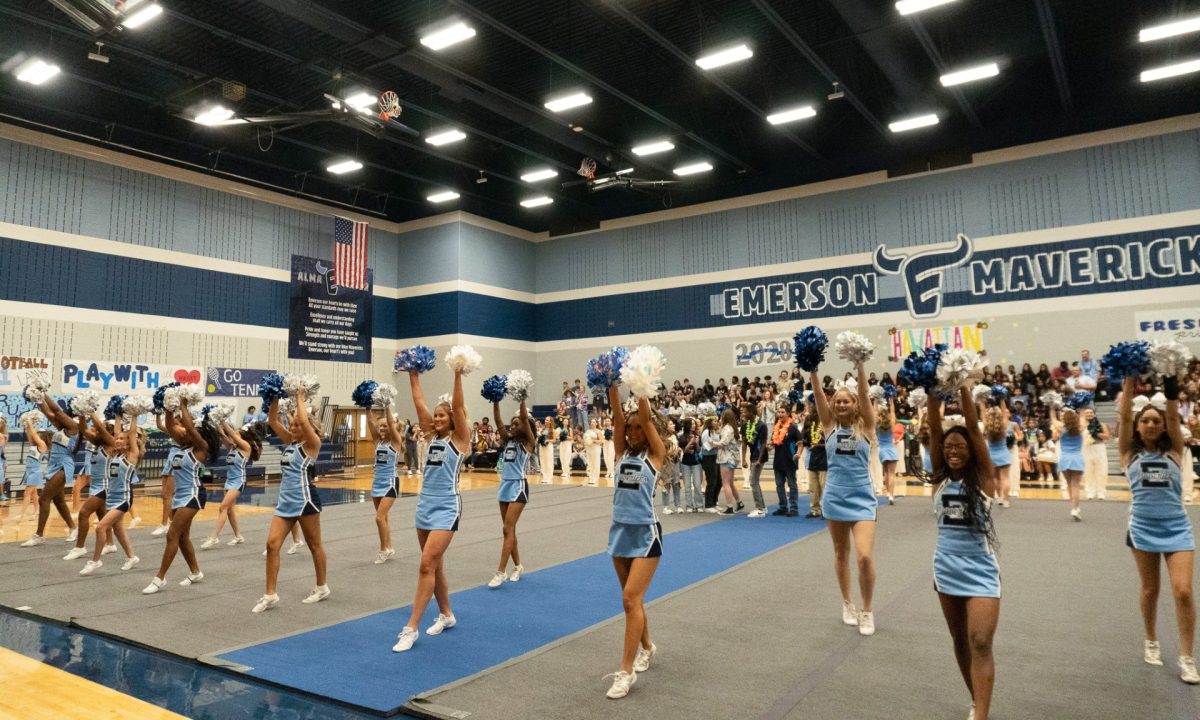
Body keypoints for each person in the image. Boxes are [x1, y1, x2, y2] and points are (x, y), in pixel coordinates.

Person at [927, 382, 1001, 720]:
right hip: (946, 568)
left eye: (961, 446)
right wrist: (931, 389)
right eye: (949, 446)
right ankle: (976, 699)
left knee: (981, 640)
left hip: (981, 569)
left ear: (971, 450)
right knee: (959, 638)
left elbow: (972, 427)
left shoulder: (985, 478)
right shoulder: (939, 480)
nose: (954, 450)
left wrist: (963, 388)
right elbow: (932, 427)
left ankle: (982, 715)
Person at [1118, 374, 1200, 683]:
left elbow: (1173, 412)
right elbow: (1124, 416)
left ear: (1165, 425)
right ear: (1138, 427)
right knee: (1151, 589)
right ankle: (1151, 638)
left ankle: (1187, 657)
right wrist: (1128, 382)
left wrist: (1169, 385)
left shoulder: (1175, 450)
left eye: (1157, 421)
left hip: (1177, 528)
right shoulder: (1129, 453)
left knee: (1183, 591)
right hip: (1142, 528)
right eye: (1146, 421)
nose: (1152, 425)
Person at [392, 365, 470, 652]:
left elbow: (460, 407)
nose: (435, 418)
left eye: (442, 415)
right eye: (434, 415)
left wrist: (458, 375)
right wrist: (413, 374)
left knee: (426, 565)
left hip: (447, 506)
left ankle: (410, 628)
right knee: (435, 565)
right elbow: (419, 403)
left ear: (452, 420)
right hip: (424, 505)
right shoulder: (431, 436)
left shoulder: (460, 440)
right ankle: (447, 614)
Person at [601, 383, 666, 700]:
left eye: (639, 426)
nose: (634, 431)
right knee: (633, 601)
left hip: (645, 536)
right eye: (630, 428)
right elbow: (616, 416)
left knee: (629, 599)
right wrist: (611, 383)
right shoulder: (619, 453)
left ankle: (625, 671)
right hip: (619, 534)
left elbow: (647, 418)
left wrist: (641, 385)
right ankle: (648, 647)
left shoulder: (655, 455)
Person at [811, 359, 879, 635]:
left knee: (864, 556)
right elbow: (818, 397)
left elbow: (864, 394)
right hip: (835, 497)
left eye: (845, 402)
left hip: (863, 498)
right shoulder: (829, 428)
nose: (840, 405)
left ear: (854, 405)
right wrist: (812, 369)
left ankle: (867, 610)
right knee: (841, 552)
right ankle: (847, 603)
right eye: (836, 402)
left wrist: (860, 366)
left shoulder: (867, 428)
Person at [253, 388, 328, 612]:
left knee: (315, 545)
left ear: (309, 428)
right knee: (272, 544)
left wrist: (299, 397)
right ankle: (270, 594)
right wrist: (274, 395)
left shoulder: (311, 445)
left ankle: (322, 586)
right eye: (292, 425)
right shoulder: (290, 442)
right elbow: (273, 419)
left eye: (297, 425)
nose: (293, 427)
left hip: (306, 501)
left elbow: (304, 420)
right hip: (285, 502)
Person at [142, 403, 217, 594]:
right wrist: (168, 405)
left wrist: (183, 403)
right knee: (183, 537)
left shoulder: (201, 448)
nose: (183, 431)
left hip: (193, 494)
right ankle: (195, 571)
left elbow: (190, 427)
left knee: (172, 534)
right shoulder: (182, 447)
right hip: (180, 496)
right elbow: (169, 424)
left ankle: (159, 578)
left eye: (188, 430)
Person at [79, 413, 142, 576]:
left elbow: (133, 434)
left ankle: (95, 561)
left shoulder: (131, 455)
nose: (118, 440)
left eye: (122, 439)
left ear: (129, 443)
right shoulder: (115, 454)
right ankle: (132, 557)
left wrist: (134, 416)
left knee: (100, 527)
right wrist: (117, 415)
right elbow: (115, 432)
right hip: (112, 497)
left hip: (123, 498)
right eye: (118, 438)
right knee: (118, 529)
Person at [20, 396, 78, 545]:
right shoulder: (61, 427)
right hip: (53, 465)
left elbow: (57, 411)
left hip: (64, 465)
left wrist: (44, 394)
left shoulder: (73, 427)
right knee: (58, 500)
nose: (62, 414)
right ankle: (73, 528)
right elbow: (47, 411)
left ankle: (39, 535)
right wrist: (37, 398)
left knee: (43, 498)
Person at [489, 394, 533, 588]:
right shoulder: (508, 441)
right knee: (510, 530)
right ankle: (518, 566)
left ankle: (500, 572)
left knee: (507, 528)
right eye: (512, 424)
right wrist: (496, 400)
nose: (513, 427)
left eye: (517, 424)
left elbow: (524, 417)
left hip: (518, 487)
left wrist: (521, 398)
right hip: (504, 486)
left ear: (525, 426)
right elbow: (498, 421)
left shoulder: (528, 443)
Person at [202, 422, 262, 549]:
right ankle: (238, 536)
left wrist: (223, 420)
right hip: (229, 481)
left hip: (239, 481)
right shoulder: (232, 447)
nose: (235, 432)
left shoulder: (246, 447)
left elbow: (231, 434)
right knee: (230, 510)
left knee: (223, 507)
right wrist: (216, 422)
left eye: (238, 431)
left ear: (242, 436)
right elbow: (223, 435)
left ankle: (214, 537)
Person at [63, 415, 114, 561]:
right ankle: (110, 543)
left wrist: (92, 413)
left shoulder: (111, 443)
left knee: (84, 513)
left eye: (99, 430)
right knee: (102, 515)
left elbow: (100, 431)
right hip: (96, 485)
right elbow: (84, 429)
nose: (95, 432)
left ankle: (80, 547)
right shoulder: (98, 444)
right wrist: (82, 414)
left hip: (104, 486)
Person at [367, 406, 404, 564]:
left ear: (392, 426)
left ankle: (383, 550)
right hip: (377, 482)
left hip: (390, 483)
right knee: (384, 519)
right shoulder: (378, 441)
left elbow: (390, 421)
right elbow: (370, 422)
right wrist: (367, 406)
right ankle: (389, 546)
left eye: (385, 425)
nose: (382, 428)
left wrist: (387, 406)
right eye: (380, 426)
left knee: (379, 518)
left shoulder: (395, 442)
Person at [1054, 405, 1086, 521]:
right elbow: (1083, 415)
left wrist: (1051, 407)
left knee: (1069, 484)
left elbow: (1053, 418)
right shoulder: (1080, 427)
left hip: (1064, 459)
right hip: (1077, 458)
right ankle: (1075, 508)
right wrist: (1082, 404)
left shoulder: (1061, 428)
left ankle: (1074, 507)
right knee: (1076, 485)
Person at [771, 402, 802, 517]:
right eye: (778, 412)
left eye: (782, 412)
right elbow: (774, 441)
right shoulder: (776, 427)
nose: (780, 414)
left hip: (790, 460)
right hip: (778, 461)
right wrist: (770, 445)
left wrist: (798, 454)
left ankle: (794, 508)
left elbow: (800, 443)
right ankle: (782, 507)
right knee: (779, 485)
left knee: (792, 485)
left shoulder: (793, 427)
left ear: (788, 414)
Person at [714, 409, 743, 514]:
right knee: (730, 482)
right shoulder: (733, 428)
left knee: (725, 482)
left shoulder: (727, 428)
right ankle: (739, 502)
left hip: (726, 457)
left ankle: (729, 506)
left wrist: (712, 442)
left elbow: (723, 443)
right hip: (733, 457)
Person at [743, 404, 769, 518]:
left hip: (760, 455)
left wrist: (759, 459)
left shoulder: (761, 425)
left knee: (753, 481)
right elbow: (744, 442)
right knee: (754, 481)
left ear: (752, 412)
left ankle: (760, 508)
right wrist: (743, 459)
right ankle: (762, 507)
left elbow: (763, 443)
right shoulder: (745, 425)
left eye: (745, 412)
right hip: (752, 455)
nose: (743, 414)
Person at [800, 401, 826, 518]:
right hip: (813, 457)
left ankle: (826, 510)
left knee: (824, 486)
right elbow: (806, 438)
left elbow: (831, 442)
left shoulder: (826, 422)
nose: (808, 409)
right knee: (813, 486)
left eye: (810, 406)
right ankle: (815, 509)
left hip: (824, 458)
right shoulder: (809, 421)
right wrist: (802, 442)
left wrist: (818, 445)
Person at [18, 416, 47, 522]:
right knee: (34, 494)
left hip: (35, 472)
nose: (37, 434)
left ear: (42, 436)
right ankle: (37, 511)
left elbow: (34, 434)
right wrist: (26, 424)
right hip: (29, 471)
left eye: (39, 433)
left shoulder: (43, 445)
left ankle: (21, 514)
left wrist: (30, 423)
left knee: (26, 493)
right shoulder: (33, 444)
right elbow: (30, 434)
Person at [1082, 407, 1110, 501]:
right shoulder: (1081, 426)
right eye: (1087, 413)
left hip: (1099, 448)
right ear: (1084, 415)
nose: (1089, 414)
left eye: (1091, 413)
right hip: (1086, 449)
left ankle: (1101, 492)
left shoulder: (1101, 424)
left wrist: (1096, 433)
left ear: (1094, 414)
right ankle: (1090, 492)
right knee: (1088, 471)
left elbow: (1107, 436)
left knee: (1101, 471)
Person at [876, 395, 899, 505]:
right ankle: (891, 496)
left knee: (885, 472)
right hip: (891, 449)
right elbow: (893, 413)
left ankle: (888, 493)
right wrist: (891, 402)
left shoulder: (877, 424)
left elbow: (873, 413)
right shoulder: (891, 423)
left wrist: (875, 400)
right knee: (892, 474)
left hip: (882, 450)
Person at [678, 418, 703, 513]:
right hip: (685, 463)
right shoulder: (682, 436)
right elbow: (683, 451)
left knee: (697, 485)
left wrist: (696, 443)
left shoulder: (697, 435)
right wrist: (690, 442)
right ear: (688, 425)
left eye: (694, 424)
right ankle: (689, 505)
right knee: (687, 486)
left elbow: (698, 450)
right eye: (692, 424)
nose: (693, 425)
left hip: (696, 463)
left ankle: (699, 505)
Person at [584, 419, 603, 487]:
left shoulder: (598, 431)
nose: (592, 423)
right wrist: (587, 443)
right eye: (591, 422)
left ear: (596, 424)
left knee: (596, 463)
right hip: (589, 448)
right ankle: (591, 477)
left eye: (594, 422)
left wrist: (593, 441)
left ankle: (595, 478)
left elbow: (601, 441)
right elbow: (585, 439)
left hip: (596, 448)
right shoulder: (587, 431)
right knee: (590, 463)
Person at [538, 416, 556, 485]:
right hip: (542, 447)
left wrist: (548, 440)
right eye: (545, 419)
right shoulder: (543, 429)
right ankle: (544, 476)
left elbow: (554, 440)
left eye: (547, 420)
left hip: (549, 446)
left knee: (549, 461)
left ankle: (549, 477)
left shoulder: (552, 430)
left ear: (550, 421)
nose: (545, 421)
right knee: (543, 461)